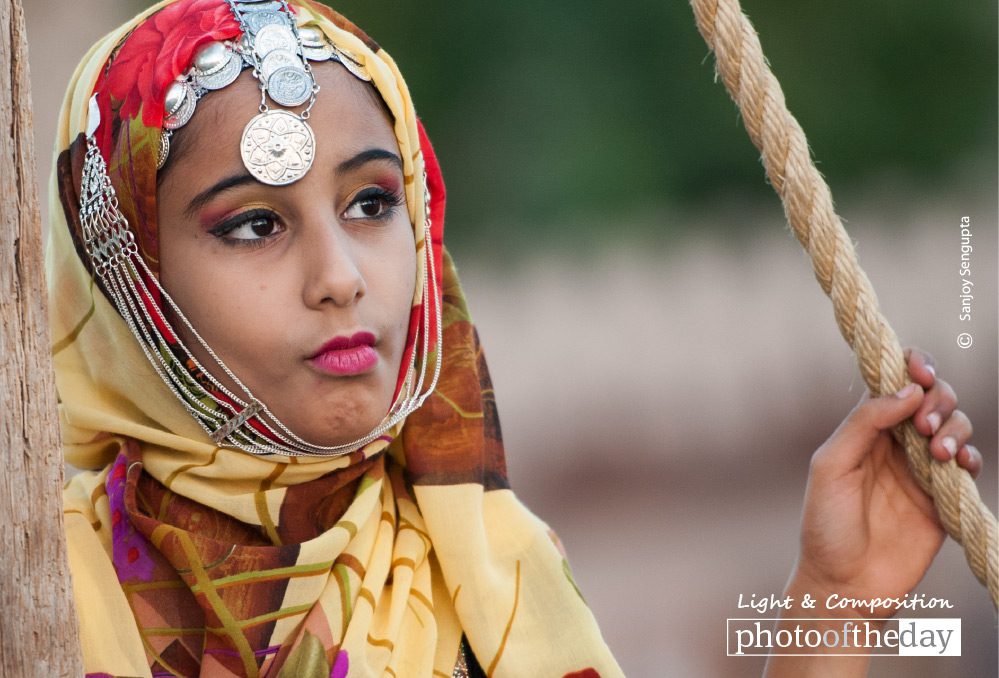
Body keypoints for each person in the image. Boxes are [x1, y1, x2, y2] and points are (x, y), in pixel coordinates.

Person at [48, 1, 980, 676]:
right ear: (126, 275)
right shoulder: (42, 593)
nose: (341, 276)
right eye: (253, 225)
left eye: (372, 203)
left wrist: (833, 599)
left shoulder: (485, 571)